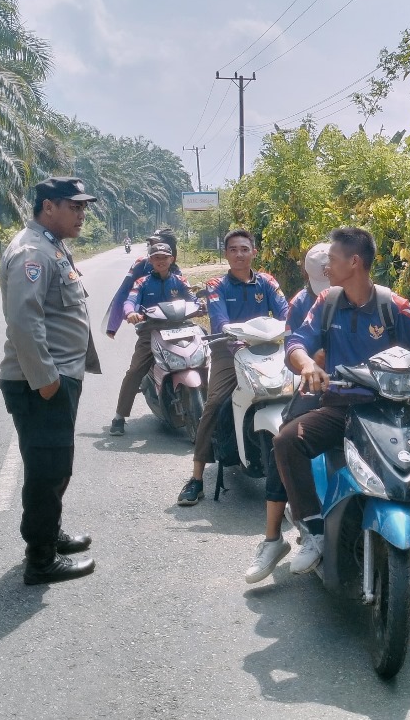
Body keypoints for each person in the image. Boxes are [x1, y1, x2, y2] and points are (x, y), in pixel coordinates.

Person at [276, 226, 410, 633]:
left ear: (355, 262)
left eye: (332, 258)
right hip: (341, 410)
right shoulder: (327, 301)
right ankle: (313, 530)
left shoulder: (392, 305)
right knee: (287, 442)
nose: (326, 264)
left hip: (393, 413)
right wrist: (309, 367)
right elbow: (297, 341)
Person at [0, 176, 101, 585]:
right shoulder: (32, 252)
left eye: (82, 207)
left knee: (55, 465)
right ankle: (40, 560)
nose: (81, 213)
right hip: (41, 381)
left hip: (57, 376)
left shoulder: (51, 245)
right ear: (47, 207)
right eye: (73, 206)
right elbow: (24, 320)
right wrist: (46, 381)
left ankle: (49, 533)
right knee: (47, 469)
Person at [176, 228, 289, 506]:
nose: (239, 254)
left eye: (244, 249)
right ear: (226, 254)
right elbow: (219, 320)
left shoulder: (267, 281)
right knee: (213, 403)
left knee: (302, 396)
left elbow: (287, 313)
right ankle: (197, 478)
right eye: (233, 250)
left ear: (254, 252)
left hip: (270, 348)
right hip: (230, 351)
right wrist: (231, 335)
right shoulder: (216, 284)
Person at [244, 241, 330, 584]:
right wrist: (311, 363)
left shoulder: (367, 296)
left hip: (360, 390)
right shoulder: (300, 304)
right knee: (286, 440)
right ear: (308, 276)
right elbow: (294, 352)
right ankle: (273, 538)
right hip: (316, 389)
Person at [109, 242, 195, 436]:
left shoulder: (181, 281)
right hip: (151, 331)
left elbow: (193, 299)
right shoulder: (142, 283)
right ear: (150, 261)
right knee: (134, 371)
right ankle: (119, 417)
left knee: (208, 353)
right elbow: (130, 300)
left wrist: (201, 306)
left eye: (164, 257)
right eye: (156, 257)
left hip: (181, 328)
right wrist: (130, 312)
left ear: (171, 259)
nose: (161, 261)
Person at [104, 228, 180, 344]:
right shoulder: (141, 266)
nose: (155, 248)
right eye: (153, 244)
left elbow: (188, 297)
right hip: (149, 323)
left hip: (174, 324)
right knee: (141, 358)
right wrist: (113, 325)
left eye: (160, 244)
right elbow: (124, 293)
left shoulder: (177, 274)